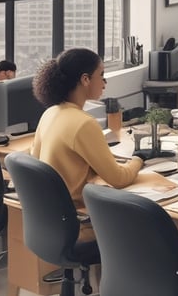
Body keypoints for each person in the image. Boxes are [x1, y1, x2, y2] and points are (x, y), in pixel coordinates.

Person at [31, 48, 143, 211]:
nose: (105, 83)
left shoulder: (50, 112)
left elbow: (36, 159)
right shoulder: (84, 123)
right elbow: (119, 179)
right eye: (101, 75)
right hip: (78, 214)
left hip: (52, 212)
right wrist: (138, 159)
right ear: (85, 79)